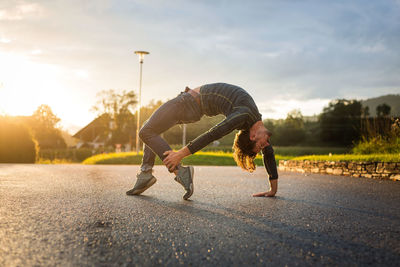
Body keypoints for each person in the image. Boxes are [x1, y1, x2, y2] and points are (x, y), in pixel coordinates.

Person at [126, 83, 278, 200]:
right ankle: (146, 172)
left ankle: (179, 171)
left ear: (253, 137)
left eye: (261, 146)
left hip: (188, 103)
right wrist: (273, 190)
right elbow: (269, 154)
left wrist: (180, 154)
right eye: (263, 146)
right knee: (151, 128)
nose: (266, 145)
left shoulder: (243, 115)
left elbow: (213, 134)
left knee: (145, 131)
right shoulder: (252, 119)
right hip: (193, 107)